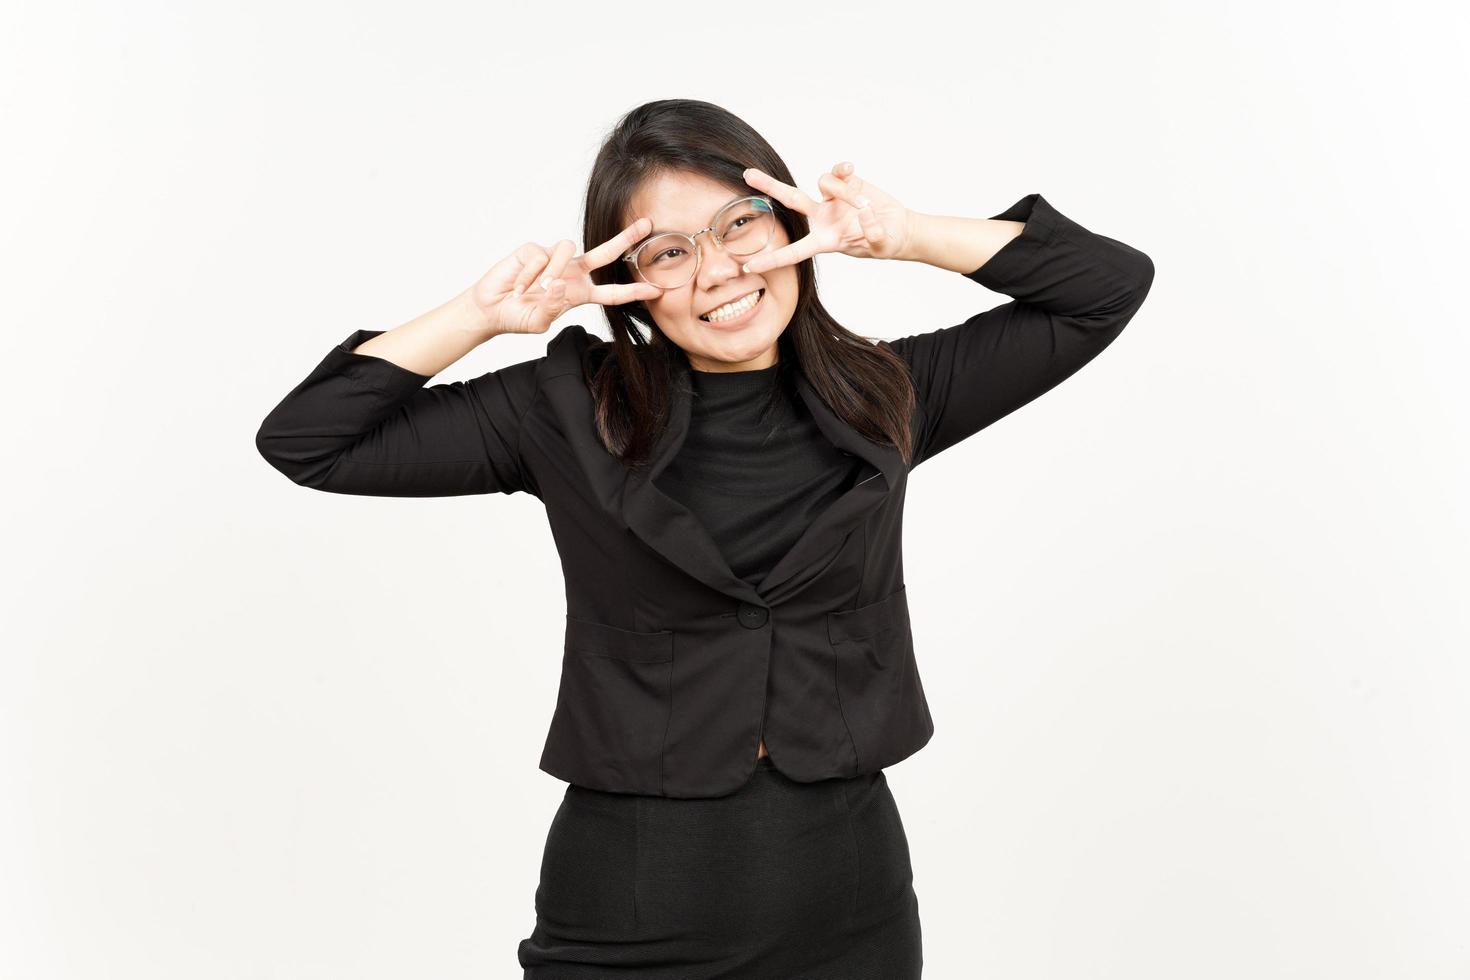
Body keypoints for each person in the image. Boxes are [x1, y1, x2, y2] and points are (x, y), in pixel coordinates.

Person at [256, 99, 1155, 979]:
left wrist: (907, 233)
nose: (718, 272)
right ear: (631, 282)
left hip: (850, 900)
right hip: (632, 898)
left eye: (741, 226)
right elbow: (310, 441)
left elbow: (1105, 288)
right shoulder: (564, 411)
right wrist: (482, 316)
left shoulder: (890, 394)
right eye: (671, 253)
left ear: (789, 220)